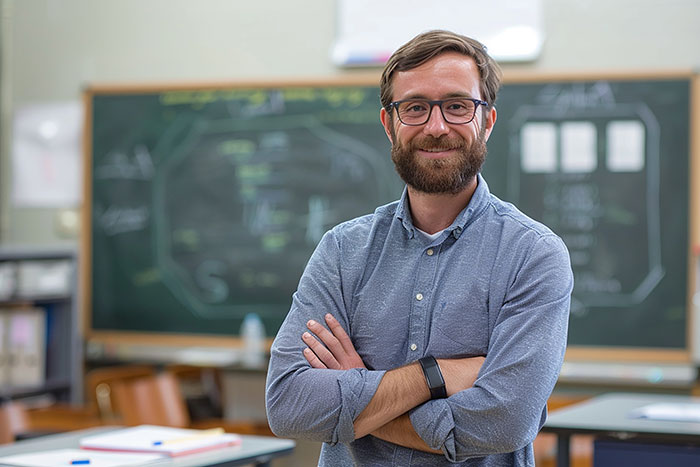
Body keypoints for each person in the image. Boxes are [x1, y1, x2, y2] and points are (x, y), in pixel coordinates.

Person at [265, 29, 573, 466]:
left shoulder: (533, 255)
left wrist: (360, 392)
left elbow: (505, 421)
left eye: (456, 106)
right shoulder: (341, 251)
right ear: (389, 124)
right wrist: (436, 375)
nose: (436, 126)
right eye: (414, 108)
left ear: (486, 121)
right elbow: (289, 406)